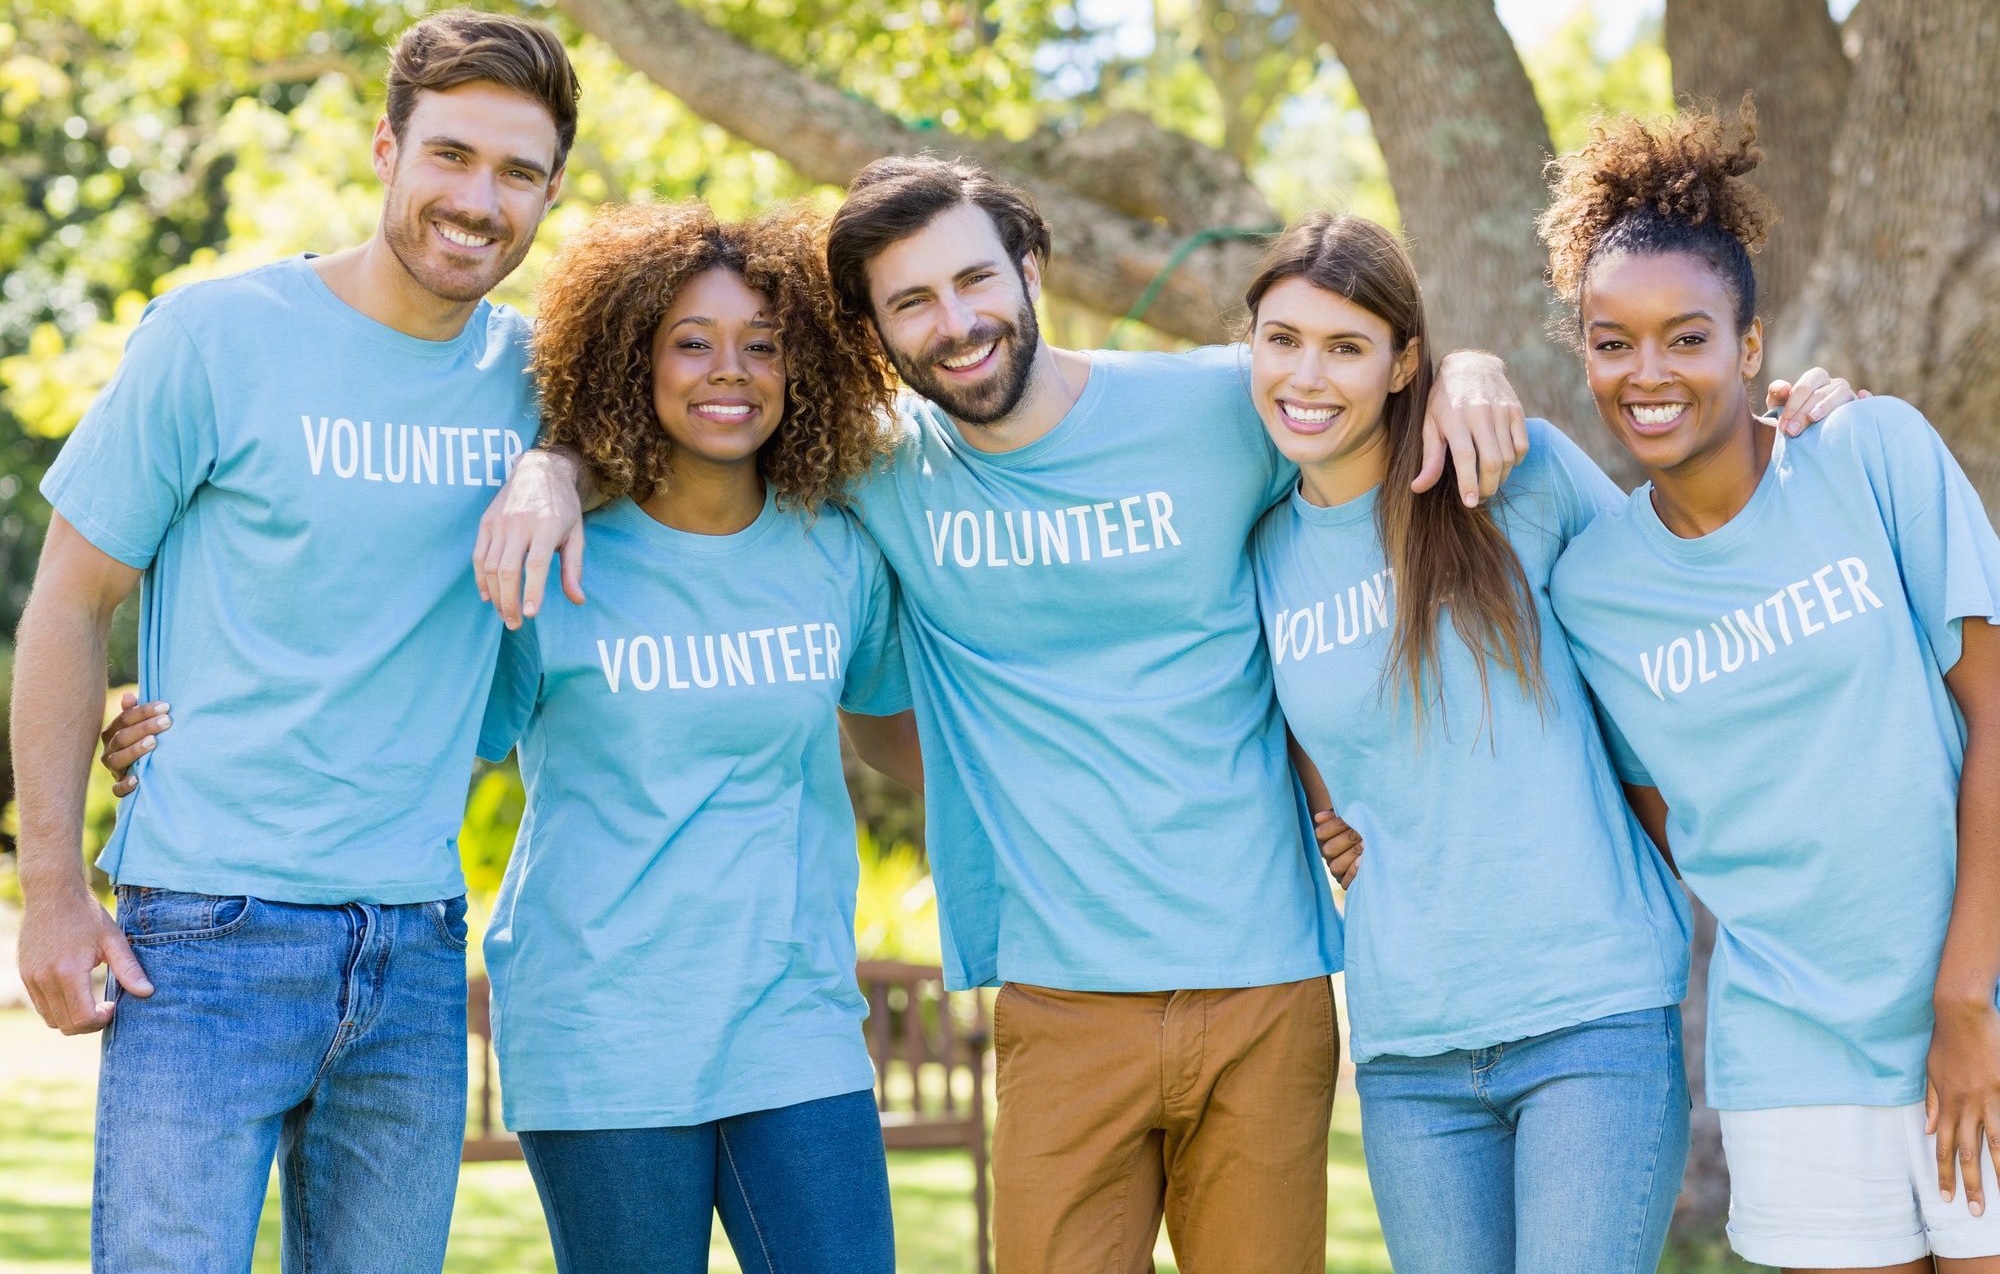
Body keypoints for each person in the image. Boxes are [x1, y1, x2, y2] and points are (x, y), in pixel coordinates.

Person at [478, 155, 1537, 1273]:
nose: (956, 322)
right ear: (871, 335)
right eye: (910, 303)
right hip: (1054, 992)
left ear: (1029, 266)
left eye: (974, 279)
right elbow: (678, 420)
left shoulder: (1218, 407)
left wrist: (1464, 366)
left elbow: (1352, 372)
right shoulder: (872, 473)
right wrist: (549, 466)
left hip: (1262, 979)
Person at [11, 10, 576, 1273]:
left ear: (549, 193)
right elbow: (68, 600)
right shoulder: (216, 338)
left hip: (416, 943)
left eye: (517, 173)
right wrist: (52, 890)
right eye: (451, 155)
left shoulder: (544, 377)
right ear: (385, 147)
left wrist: (557, 463)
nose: (478, 200)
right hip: (203, 936)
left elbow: (693, 409)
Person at [1545, 105, 2000, 1272]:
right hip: (1790, 1056)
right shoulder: (1591, 589)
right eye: (1610, 341)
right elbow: (1666, 820)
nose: (1645, 374)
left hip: (1980, 1009)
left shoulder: (1870, 454)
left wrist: (1960, 1001)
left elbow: (1993, 715)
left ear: (1749, 348)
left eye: (1683, 337)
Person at [1242, 210, 1695, 1270]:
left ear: (1404, 362)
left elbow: (1679, 599)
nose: (1306, 375)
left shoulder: (1510, 475)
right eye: (1281, 339)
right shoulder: (1258, 548)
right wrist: (1336, 819)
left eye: (1345, 346)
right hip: (1407, 1045)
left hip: (1589, 1012)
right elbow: (1315, 745)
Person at [469, 199, 913, 1273]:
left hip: (796, 1022)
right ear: (632, 359)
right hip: (601, 1025)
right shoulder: (554, 554)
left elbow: (906, 746)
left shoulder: (836, 556)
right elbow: (424, 745)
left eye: (762, 346)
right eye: (693, 344)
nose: (731, 371)